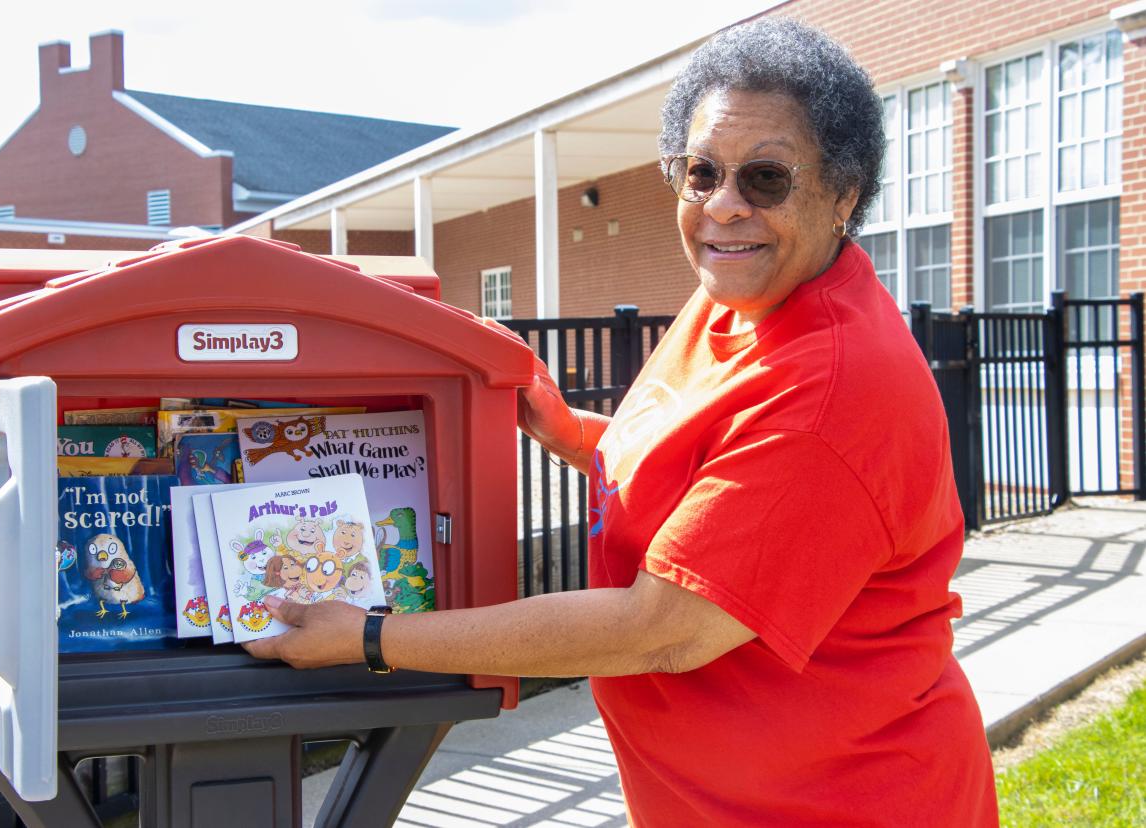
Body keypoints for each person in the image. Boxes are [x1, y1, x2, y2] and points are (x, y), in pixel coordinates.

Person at [246, 18, 998, 826]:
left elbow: (661, 629)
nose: (723, 206)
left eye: (766, 180)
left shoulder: (832, 386)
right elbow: (710, 479)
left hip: (838, 803)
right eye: (699, 172)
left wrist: (370, 638)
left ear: (844, 192)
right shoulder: (739, 300)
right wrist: (568, 429)